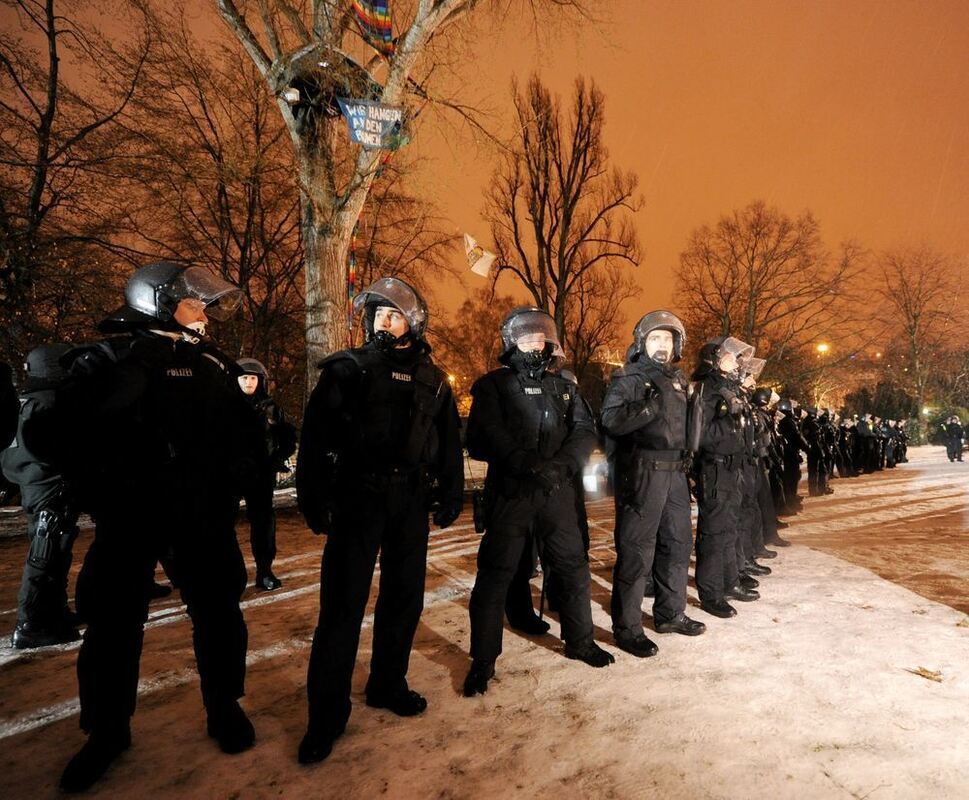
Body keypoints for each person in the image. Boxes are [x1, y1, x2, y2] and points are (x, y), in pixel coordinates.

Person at [57, 262, 262, 793]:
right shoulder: (106, 359)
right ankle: (106, 730)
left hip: (200, 515)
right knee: (112, 623)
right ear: (156, 302)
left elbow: (243, 434)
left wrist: (231, 483)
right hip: (131, 517)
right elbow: (62, 436)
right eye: (196, 305)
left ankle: (224, 708)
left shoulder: (213, 365)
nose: (207, 317)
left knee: (219, 613)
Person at [296, 277, 464, 765]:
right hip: (358, 498)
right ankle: (325, 717)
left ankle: (388, 683)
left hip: (410, 500)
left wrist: (450, 492)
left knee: (403, 599)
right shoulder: (348, 370)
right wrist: (314, 495)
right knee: (343, 607)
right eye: (377, 315)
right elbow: (314, 436)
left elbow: (448, 441)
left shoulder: (433, 377)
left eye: (393, 315)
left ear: (414, 321)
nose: (383, 322)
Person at [463, 307, 614, 697]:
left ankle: (580, 641)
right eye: (526, 336)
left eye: (539, 336)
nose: (534, 342)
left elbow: (584, 431)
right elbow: (484, 435)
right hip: (512, 493)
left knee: (572, 566)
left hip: (558, 493)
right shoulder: (492, 386)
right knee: (496, 574)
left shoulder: (563, 386)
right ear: (512, 342)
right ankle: (483, 660)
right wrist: (524, 463)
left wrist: (561, 465)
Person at [601, 310, 705, 658]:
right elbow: (610, 420)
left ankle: (670, 613)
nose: (662, 344)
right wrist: (647, 407)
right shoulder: (629, 377)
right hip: (644, 471)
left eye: (668, 339)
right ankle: (628, 629)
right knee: (636, 550)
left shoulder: (680, 379)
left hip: (676, 473)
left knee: (677, 544)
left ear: (677, 344)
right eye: (655, 338)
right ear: (642, 343)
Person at [1, 345, 82, 648]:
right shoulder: (48, 402)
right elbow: (50, 448)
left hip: (38, 484)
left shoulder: (25, 400)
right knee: (45, 553)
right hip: (48, 486)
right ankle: (30, 622)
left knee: (56, 550)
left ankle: (55, 611)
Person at [691, 336, 753, 619]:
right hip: (714, 468)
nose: (736, 362)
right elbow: (701, 434)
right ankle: (711, 593)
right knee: (713, 534)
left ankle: (729, 582)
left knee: (729, 529)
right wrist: (730, 426)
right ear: (713, 359)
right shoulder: (706, 388)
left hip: (730, 468)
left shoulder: (725, 388)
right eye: (729, 357)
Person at [235, 358, 297, 591]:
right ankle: (230, 575)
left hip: (261, 474)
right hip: (231, 475)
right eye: (244, 378)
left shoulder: (271, 408)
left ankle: (264, 570)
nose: (248, 382)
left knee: (262, 524)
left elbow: (287, 439)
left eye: (253, 378)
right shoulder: (225, 405)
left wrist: (276, 458)